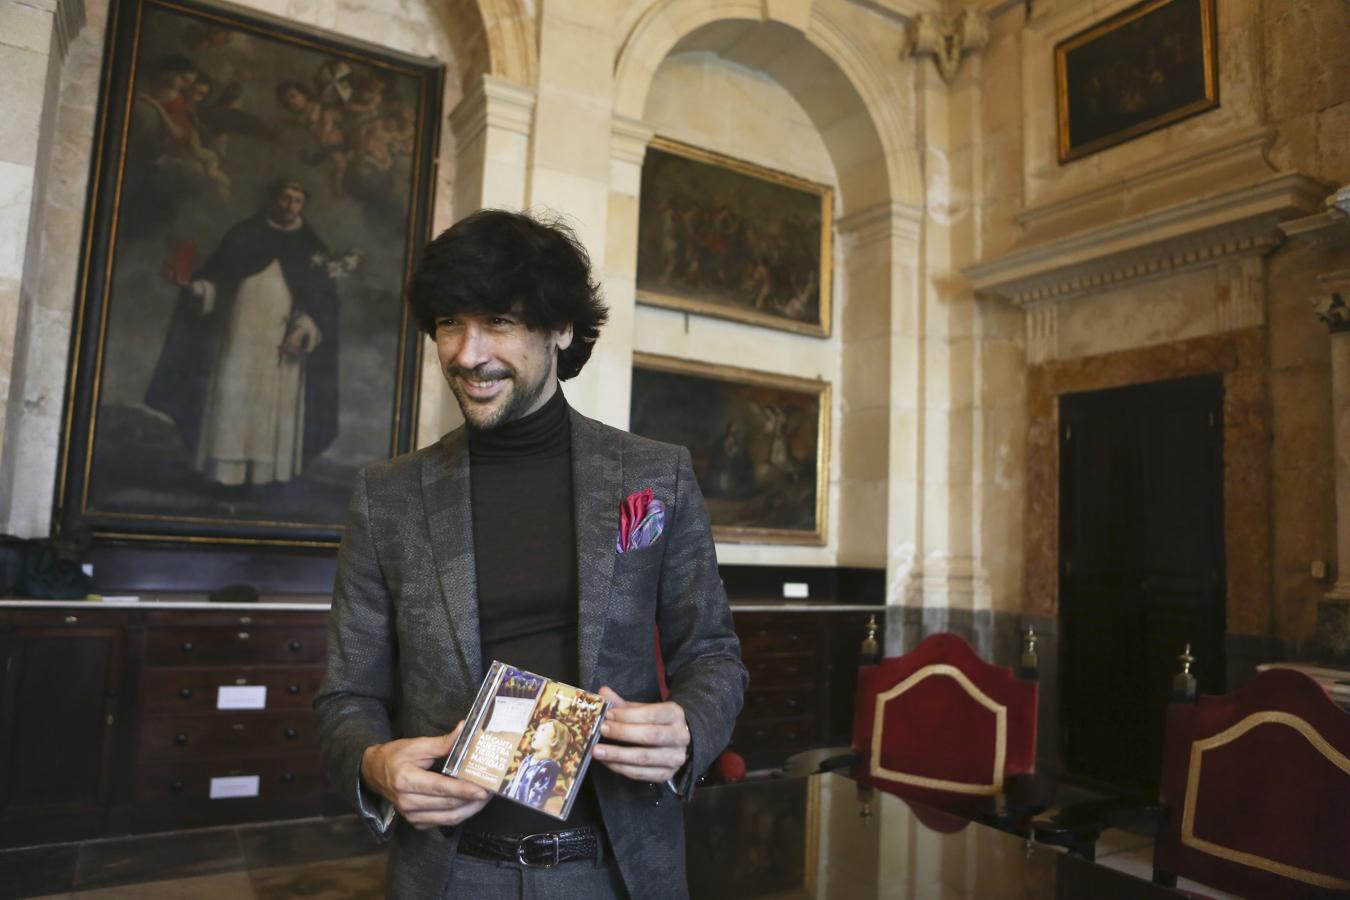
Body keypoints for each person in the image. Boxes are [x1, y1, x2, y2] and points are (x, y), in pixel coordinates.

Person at [314, 209, 747, 899]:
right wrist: (374, 763)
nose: (465, 352)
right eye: (449, 324)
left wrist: (689, 728)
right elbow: (346, 695)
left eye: (499, 322)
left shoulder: (654, 475)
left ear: (561, 329)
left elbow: (713, 655)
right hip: (450, 872)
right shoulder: (385, 497)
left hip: (620, 869)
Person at [145, 178, 339, 488]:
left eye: (297, 201)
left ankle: (264, 476)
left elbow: (321, 302)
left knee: (271, 405)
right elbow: (216, 282)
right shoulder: (243, 235)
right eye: (285, 198)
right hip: (239, 335)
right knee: (232, 398)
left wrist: (304, 329)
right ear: (271, 200)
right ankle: (224, 473)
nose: (290, 206)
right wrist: (193, 287)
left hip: (280, 342)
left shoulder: (310, 247)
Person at [502, 718, 571, 812]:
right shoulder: (527, 760)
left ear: (553, 741)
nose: (536, 733)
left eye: (542, 730)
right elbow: (513, 783)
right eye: (537, 730)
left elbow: (537, 798)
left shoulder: (549, 767)